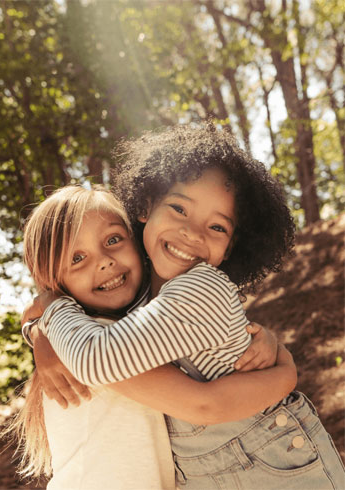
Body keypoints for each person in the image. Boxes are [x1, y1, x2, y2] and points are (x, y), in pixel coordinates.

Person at [26, 124, 345, 489]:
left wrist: (51, 306)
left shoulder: (202, 286)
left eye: (218, 227)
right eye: (179, 208)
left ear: (231, 248)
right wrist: (39, 334)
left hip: (278, 471)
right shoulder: (142, 294)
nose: (193, 233)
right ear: (145, 207)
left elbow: (97, 357)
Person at [14, 184, 296, 489]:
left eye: (113, 239)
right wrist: (286, 372)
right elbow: (205, 404)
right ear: (52, 280)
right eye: (77, 258)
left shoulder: (128, 331)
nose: (104, 260)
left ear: (136, 241)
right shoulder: (94, 347)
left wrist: (40, 324)